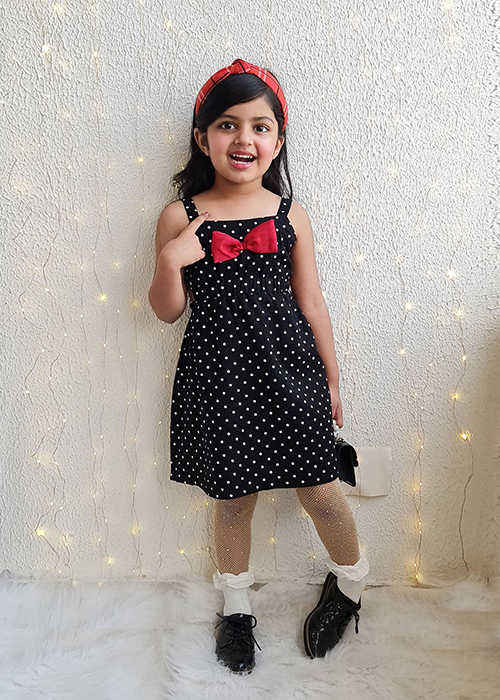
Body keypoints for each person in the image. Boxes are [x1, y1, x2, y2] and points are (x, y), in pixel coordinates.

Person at [148, 58, 370, 675]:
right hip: (219, 381)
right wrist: (170, 261)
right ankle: (236, 606)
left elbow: (313, 304)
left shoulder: (288, 214)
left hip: (290, 373)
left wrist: (331, 381)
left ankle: (351, 584)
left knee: (321, 492)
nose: (243, 138)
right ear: (203, 139)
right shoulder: (180, 216)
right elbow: (166, 311)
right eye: (227, 124)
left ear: (276, 140)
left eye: (259, 126)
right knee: (234, 500)